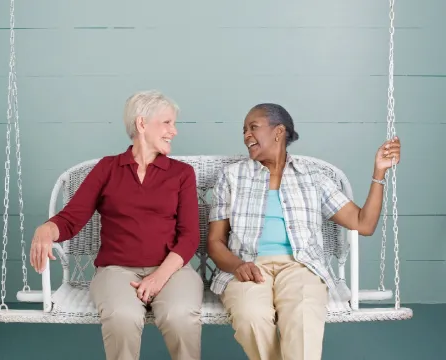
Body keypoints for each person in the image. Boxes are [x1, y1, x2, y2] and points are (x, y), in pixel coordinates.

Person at [207, 103, 401, 360]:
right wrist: (237, 265)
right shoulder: (232, 176)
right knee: (251, 317)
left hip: (301, 266)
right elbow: (215, 241)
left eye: (253, 128)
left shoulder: (313, 177)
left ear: (278, 132)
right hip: (248, 266)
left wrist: (379, 173)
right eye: (243, 131)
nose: (246, 136)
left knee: (302, 317)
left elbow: (363, 224)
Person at [29, 90, 204, 360]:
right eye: (167, 122)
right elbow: (71, 218)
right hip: (116, 271)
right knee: (122, 317)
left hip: (172, 269)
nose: (174, 131)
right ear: (142, 124)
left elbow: (190, 236)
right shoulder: (107, 169)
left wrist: (159, 277)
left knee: (179, 316)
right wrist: (46, 229)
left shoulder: (182, 174)